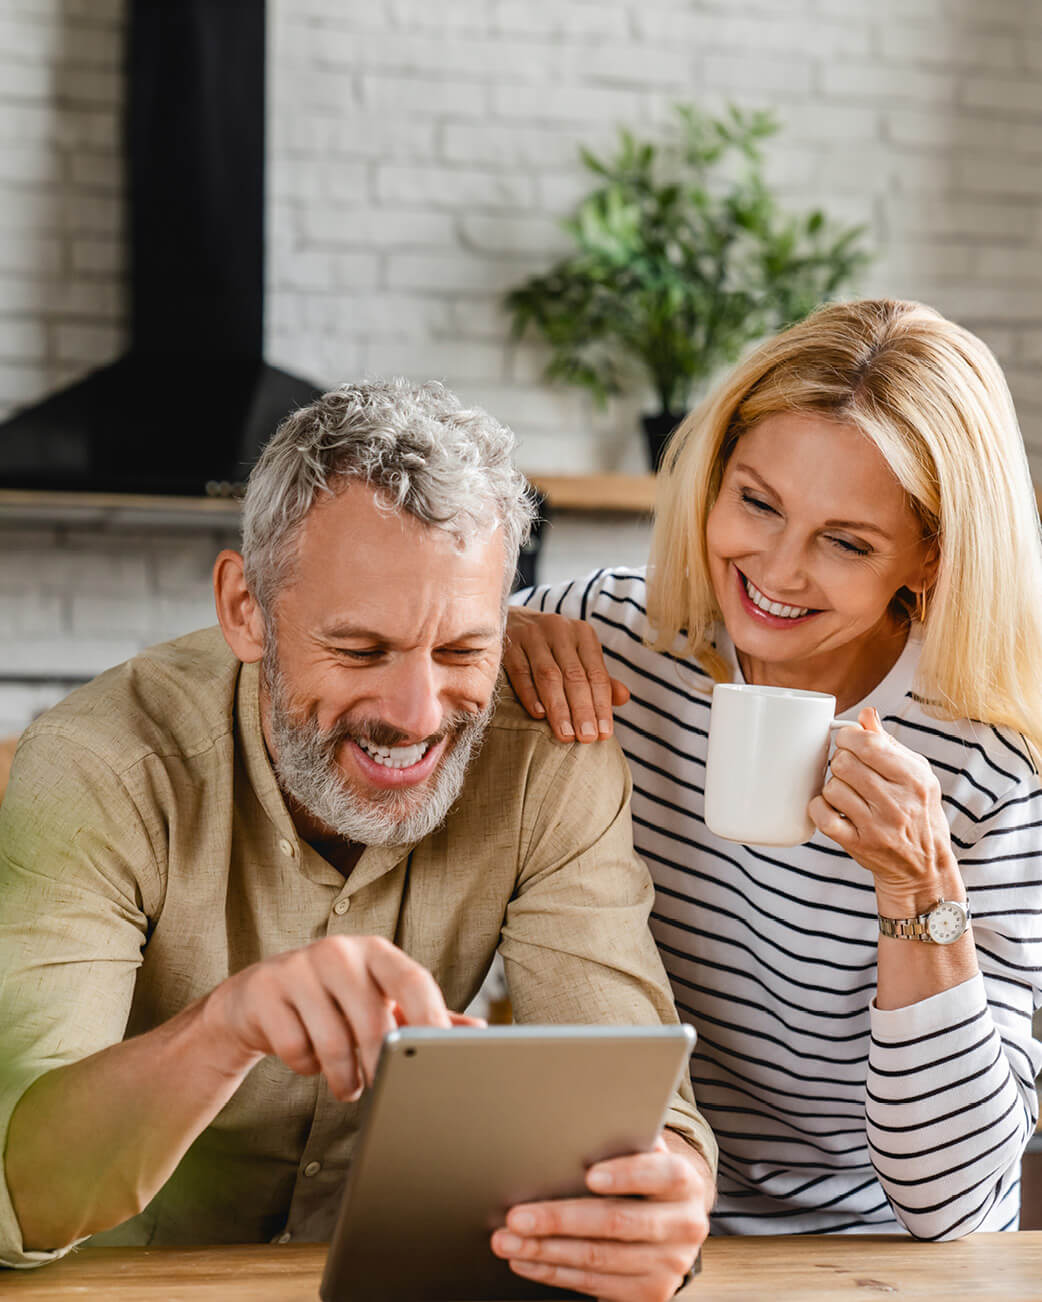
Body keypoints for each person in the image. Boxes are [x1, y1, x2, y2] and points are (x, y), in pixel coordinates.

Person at [0, 379, 715, 1299]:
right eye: (361, 651)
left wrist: (666, 1199)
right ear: (246, 610)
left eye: (463, 651)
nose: (418, 716)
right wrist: (224, 1027)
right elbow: (19, 1186)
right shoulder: (104, 764)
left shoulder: (549, 758)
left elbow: (642, 1110)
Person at [506, 298, 1042, 1239]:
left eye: (846, 542)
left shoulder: (995, 764)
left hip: (871, 1253)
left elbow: (956, 1204)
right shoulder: (615, 640)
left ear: (932, 557)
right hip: (623, 1212)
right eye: (757, 502)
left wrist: (918, 884)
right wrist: (486, 636)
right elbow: (398, 651)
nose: (777, 571)